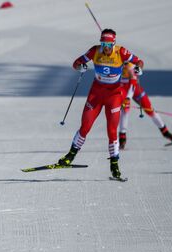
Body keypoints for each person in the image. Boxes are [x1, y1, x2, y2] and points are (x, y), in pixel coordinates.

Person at [57, 29, 143, 179]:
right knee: (85, 126)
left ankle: (114, 165)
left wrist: (138, 68)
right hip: (96, 93)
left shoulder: (121, 52)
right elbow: (76, 63)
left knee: (111, 130)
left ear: (113, 43)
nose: (106, 47)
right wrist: (80, 67)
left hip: (114, 95)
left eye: (108, 44)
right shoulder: (95, 50)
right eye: (103, 43)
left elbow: (139, 61)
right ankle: (70, 156)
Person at [118, 62, 172, 149]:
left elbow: (133, 85)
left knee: (150, 110)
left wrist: (128, 98)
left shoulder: (132, 68)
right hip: (123, 89)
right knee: (125, 110)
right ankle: (122, 138)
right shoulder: (116, 65)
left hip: (135, 90)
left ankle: (165, 132)